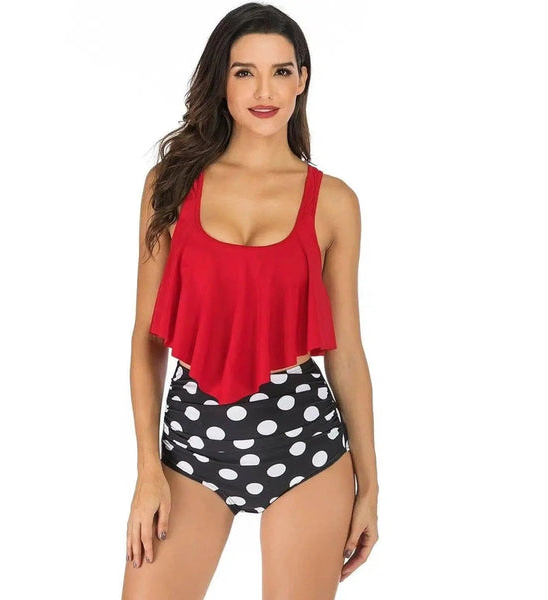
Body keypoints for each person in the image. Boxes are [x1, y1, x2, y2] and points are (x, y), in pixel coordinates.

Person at [121, 3, 378, 598]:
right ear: (222, 80)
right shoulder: (171, 184)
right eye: (245, 72)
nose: (265, 91)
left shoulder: (334, 202)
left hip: (306, 445)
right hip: (191, 445)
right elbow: (145, 338)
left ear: (302, 79)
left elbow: (346, 352)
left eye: (281, 71)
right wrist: (146, 472)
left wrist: (370, 485)